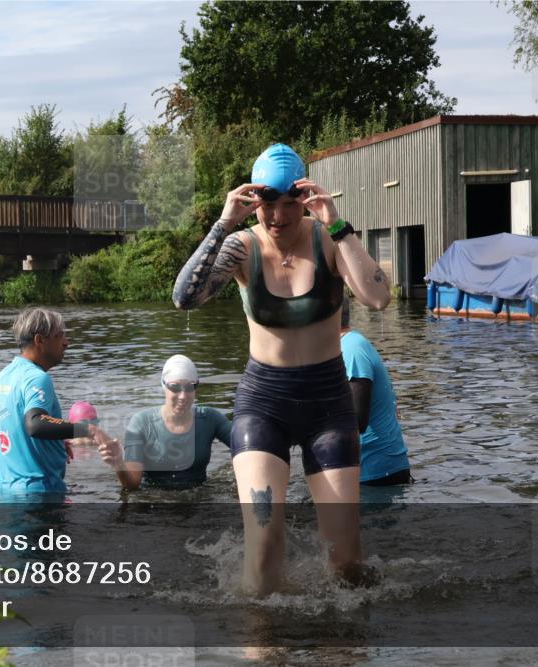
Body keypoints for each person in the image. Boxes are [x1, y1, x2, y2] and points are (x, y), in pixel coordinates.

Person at [171, 143, 391, 594]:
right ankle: (264, 642)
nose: (278, 217)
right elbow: (185, 298)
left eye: (290, 204)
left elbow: (379, 298)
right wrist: (223, 221)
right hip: (263, 404)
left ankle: (340, 645)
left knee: (346, 559)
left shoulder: (328, 240)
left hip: (327, 404)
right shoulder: (242, 246)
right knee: (266, 541)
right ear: (255, 202)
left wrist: (339, 224)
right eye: (268, 205)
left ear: (304, 200)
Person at [0, 308, 117, 499]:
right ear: (40, 341)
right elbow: (36, 424)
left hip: (7, 492)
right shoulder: (37, 378)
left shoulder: (3, 376)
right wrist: (89, 430)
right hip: (40, 494)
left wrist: (54, 439)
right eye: (59, 336)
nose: (66, 342)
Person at [98, 355, 231, 491]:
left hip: (199, 496)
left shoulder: (210, 419)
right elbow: (132, 484)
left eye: (189, 387)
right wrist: (119, 464)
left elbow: (246, 446)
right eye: (175, 387)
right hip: (154, 499)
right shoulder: (141, 423)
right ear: (164, 386)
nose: (183, 396)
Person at [339, 297, 412, 486]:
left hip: (377, 475)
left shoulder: (351, 349)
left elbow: (357, 420)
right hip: (367, 471)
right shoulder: (342, 347)